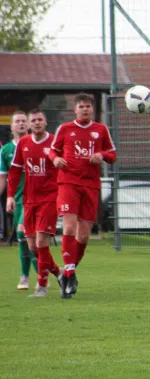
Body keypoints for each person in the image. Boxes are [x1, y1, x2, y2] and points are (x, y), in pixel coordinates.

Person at [49, 93, 117, 298]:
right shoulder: (65, 129)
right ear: (75, 109)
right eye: (81, 106)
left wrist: (101, 155)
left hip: (90, 185)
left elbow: (112, 155)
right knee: (69, 227)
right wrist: (55, 160)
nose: (85, 109)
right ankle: (69, 273)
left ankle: (68, 272)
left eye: (88, 106)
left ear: (92, 109)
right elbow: (52, 151)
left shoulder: (101, 130)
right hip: (68, 182)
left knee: (85, 234)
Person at [7, 109, 62, 297]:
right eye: (34, 120)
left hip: (49, 198)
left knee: (41, 242)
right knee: (32, 248)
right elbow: (14, 172)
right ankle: (60, 273)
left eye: (40, 119)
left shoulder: (55, 142)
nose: (37, 123)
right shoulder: (23, 143)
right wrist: (10, 196)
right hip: (29, 200)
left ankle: (42, 286)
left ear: (46, 122)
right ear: (30, 125)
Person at [0, 111, 38, 290]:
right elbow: (3, 178)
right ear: (12, 126)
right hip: (20, 200)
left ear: (28, 125)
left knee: (32, 237)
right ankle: (29, 275)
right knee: (23, 237)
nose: (21, 124)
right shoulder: (6, 150)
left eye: (24, 121)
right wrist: (7, 196)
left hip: (40, 198)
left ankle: (42, 275)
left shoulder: (37, 144)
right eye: (18, 121)